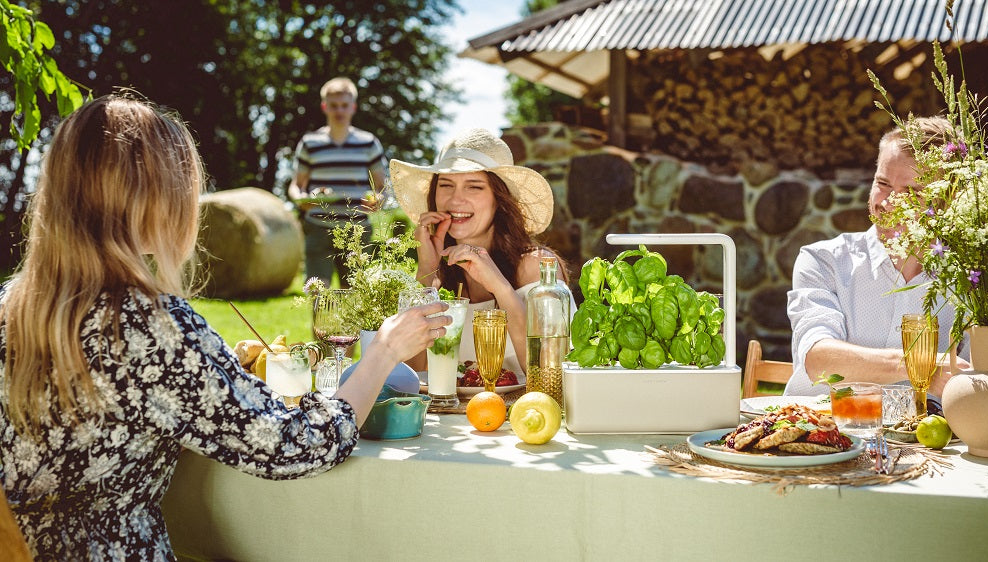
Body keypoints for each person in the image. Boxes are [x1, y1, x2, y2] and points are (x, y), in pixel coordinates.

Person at [0, 94, 449, 561]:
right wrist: (383, 351)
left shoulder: (11, 306)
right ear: (151, 199)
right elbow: (294, 446)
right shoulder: (152, 328)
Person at [785, 116, 971, 398]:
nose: (885, 203)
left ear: (948, 199)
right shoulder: (823, 261)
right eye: (882, 183)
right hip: (820, 432)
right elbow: (818, 359)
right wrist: (919, 365)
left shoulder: (973, 278)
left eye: (911, 192)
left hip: (930, 440)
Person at [391, 128, 576, 377]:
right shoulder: (440, 278)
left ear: (498, 199)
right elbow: (413, 373)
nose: (456, 200)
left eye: (474, 187)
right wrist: (426, 271)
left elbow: (549, 373)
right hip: (451, 415)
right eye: (446, 185)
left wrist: (499, 286)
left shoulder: (537, 267)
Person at [288, 77, 387, 285]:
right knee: (318, 292)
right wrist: (301, 199)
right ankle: (318, 320)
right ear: (325, 107)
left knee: (354, 296)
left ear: (353, 107)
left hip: (357, 228)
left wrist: (378, 200)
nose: (339, 111)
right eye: (334, 106)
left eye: (344, 105)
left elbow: (381, 186)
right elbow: (296, 185)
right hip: (317, 226)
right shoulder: (310, 143)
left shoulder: (368, 143)